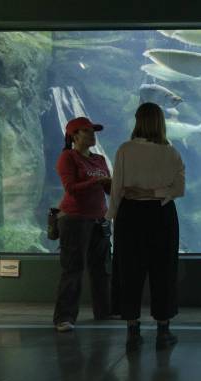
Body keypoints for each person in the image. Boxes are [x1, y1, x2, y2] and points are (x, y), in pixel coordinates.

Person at [106, 102, 185, 352]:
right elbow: (179, 189)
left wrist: (112, 216)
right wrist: (155, 192)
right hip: (162, 214)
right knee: (164, 270)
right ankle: (163, 331)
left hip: (131, 214)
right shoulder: (170, 152)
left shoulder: (125, 150)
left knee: (129, 270)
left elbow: (116, 186)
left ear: (138, 121)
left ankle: (132, 331)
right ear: (161, 122)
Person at [53, 117, 113, 332]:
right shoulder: (67, 157)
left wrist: (111, 185)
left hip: (99, 218)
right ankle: (64, 317)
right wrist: (96, 182)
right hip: (75, 219)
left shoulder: (99, 160)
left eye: (93, 131)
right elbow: (70, 188)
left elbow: (107, 190)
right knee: (73, 269)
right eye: (87, 131)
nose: (93, 134)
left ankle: (104, 311)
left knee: (101, 268)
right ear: (74, 135)